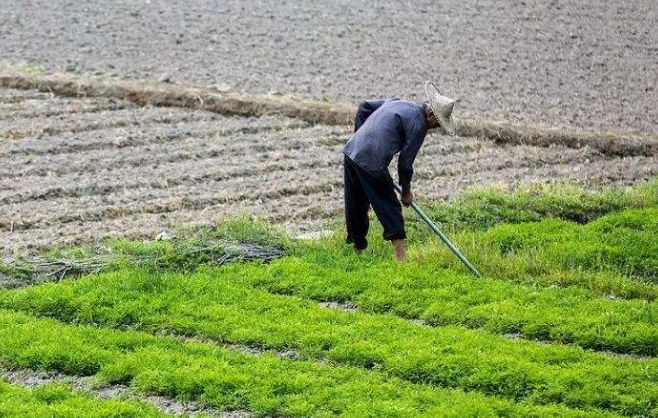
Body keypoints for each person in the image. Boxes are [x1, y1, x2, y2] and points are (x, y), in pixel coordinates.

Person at [342, 81, 457, 261]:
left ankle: (358, 251)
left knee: (356, 201)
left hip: (351, 152)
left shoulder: (397, 102)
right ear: (432, 115)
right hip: (373, 161)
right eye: (439, 124)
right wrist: (406, 192)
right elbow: (405, 163)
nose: (437, 128)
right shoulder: (419, 125)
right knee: (390, 205)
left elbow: (364, 107)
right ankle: (400, 258)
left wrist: (359, 137)